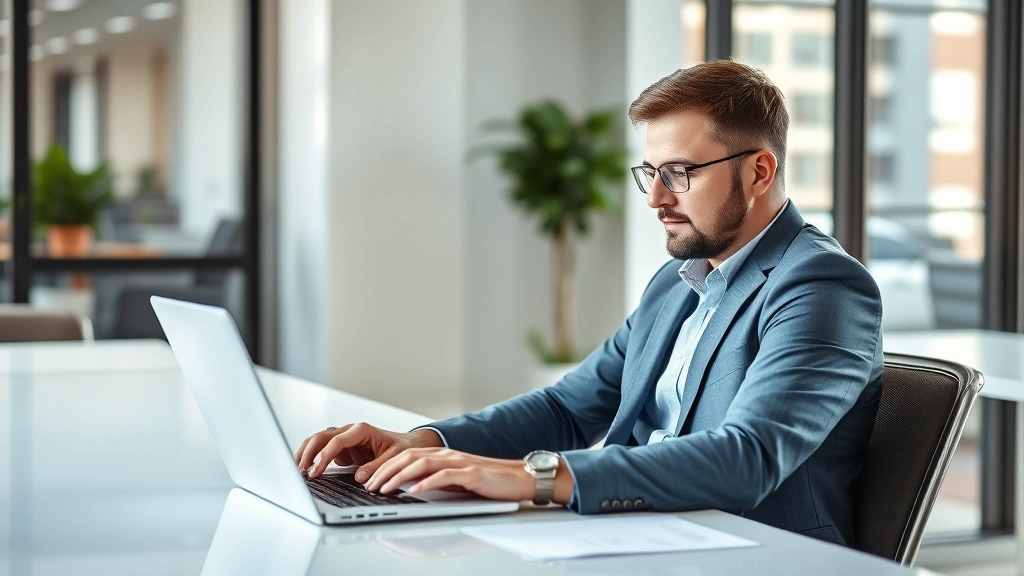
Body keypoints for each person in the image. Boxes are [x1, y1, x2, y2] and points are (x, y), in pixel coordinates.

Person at [294, 60, 883, 547]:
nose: (655, 198)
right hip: (642, 534)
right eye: (649, 172)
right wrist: (424, 444)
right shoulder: (678, 281)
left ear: (759, 171)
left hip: (747, 550)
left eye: (679, 173)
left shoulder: (821, 285)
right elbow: (567, 409)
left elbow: (748, 458)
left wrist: (533, 478)